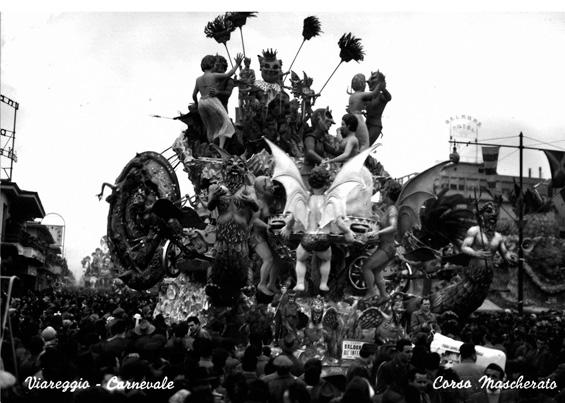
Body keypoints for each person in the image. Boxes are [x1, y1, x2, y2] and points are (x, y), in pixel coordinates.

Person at [192, 53, 243, 148]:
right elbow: (229, 73)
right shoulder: (214, 76)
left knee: (210, 128)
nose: (216, 67)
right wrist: (237, 64)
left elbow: (194, 95)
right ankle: (219, 147)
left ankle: (214, 145)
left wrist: (196, 103)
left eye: (218, 65)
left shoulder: (199, 79)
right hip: (212, 103)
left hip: (202, 103)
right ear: (213, 65)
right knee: (225, 125)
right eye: (215, 64)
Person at [362, 179, 401, 301]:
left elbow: (393, 227)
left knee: (366, 267)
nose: (382, 194)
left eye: (383, 193)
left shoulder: (393, 210)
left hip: (387, 248)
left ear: (388, 194)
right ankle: (384, 295)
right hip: (386, 247)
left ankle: (372, 292)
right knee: (377, 272)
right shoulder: (388, 209)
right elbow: (384, 222)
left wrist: (377, 232)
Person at [252, 176, 278, 296]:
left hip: (264, 235)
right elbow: (254, 220)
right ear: (262, 188)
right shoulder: (258, 203)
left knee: (276, 260)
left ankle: (271, 283)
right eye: (268, 182)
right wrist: (267, 226)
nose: (271, 184)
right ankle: (262, 284)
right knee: (268, 259)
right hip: (256, 236)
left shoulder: (267, 200)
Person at [346, 73, 383, 150]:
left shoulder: (352, 96)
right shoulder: (361, 95)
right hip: (358, 119)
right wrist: (379, 85)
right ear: (362, 84)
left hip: (351, 117)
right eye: (365, 83)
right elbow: (373, 94)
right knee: (365, 142)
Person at [365, 71, 392, 144]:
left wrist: (383, 88)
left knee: (364, 146)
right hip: (366, 124)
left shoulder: (381, 96)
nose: (368, 82)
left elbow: (389, 97)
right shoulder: (369, 96)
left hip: (375, 126)